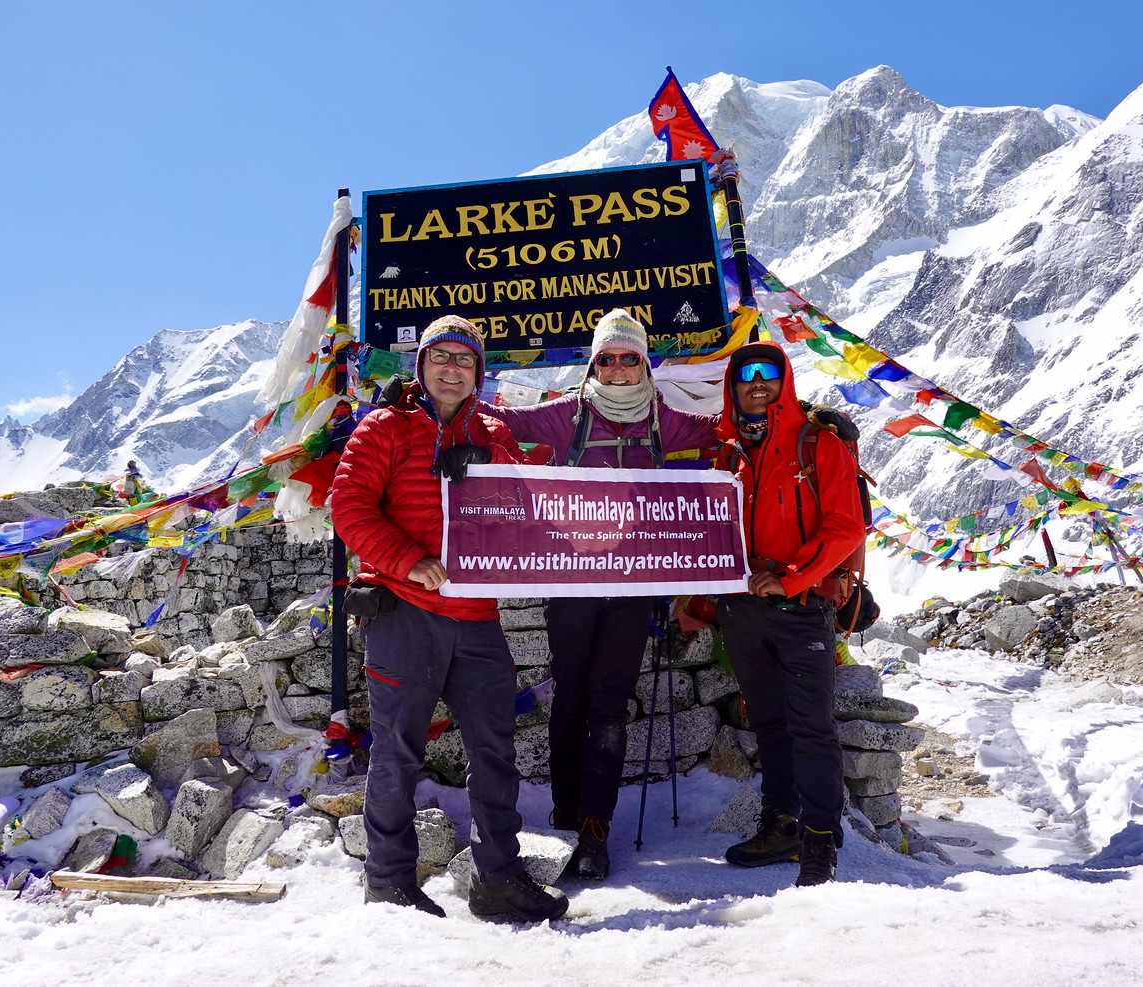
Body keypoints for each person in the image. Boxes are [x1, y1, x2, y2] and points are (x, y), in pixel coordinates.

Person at [331, 314, 569, 923]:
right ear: (422, 365)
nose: (452, 369)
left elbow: (527, 505)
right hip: (405, 612)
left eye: (465, 361)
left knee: (495, 749)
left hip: (479, 614)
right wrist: (408, 561)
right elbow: (349, 507)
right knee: (397, 749)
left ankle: (498, 881)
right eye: (441, 357)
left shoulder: (494, 431)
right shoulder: (385, 427)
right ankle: (388, 881)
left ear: (478, 372)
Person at [481, 308, 719, 880]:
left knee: (609, 700)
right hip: (571, 579)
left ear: (643, 362)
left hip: (635, 583)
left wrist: (806, 419)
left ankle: (595, 826)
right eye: (606, 357)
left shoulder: (665, 421)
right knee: (570, 695)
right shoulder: (569, 415)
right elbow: (500, 421)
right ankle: (567, 809)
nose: (616, 367)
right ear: (593, 362)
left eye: (628, 356)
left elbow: (727, 432)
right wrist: (423, 402)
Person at [713, 341, 866, 887]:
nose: (757, 383)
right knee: (770, 720)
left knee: (811, 725)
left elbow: (845, 527)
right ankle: (781, 823)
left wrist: (793, 578)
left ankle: (820, 840)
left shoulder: (817, 444)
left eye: (768, 373)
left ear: (785, 382)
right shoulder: (725, 449)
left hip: (801, 606)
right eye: (745, 374)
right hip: (741, 605)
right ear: (732, 385)